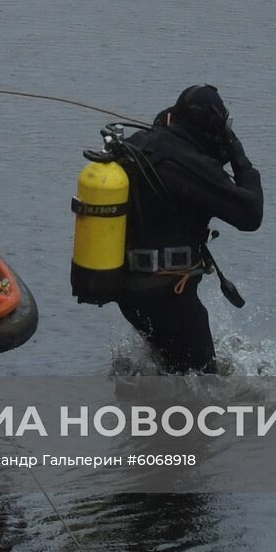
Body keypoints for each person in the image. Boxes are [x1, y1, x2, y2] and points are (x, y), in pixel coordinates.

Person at [107, 84, 263, 373]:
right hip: (169, 296)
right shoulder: (191, 167)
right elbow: (251, 215)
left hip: (128, 290)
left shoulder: (139, 144)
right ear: (211, 126)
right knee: (205, 386)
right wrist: (239, 156)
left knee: (167, 371)